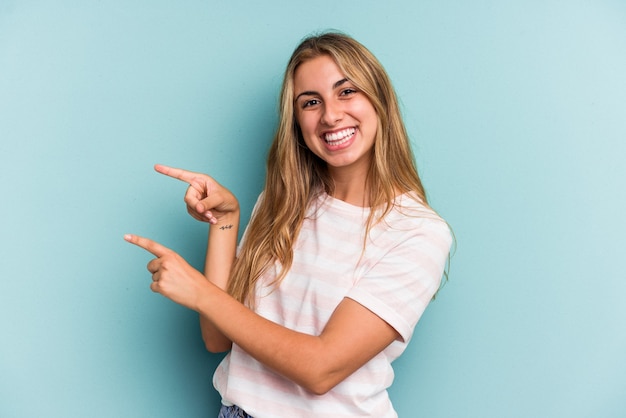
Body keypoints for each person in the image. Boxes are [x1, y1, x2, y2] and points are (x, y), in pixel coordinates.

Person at [125, 32, 452, 418]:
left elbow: (321, 369)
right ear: (296, 121)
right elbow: (218, 337)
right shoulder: (281, 205)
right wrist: (225, 222)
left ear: (379, 100)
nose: (330, 115)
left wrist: (197, 290)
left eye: (346, 92)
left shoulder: (417, 233)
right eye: (311, 102)